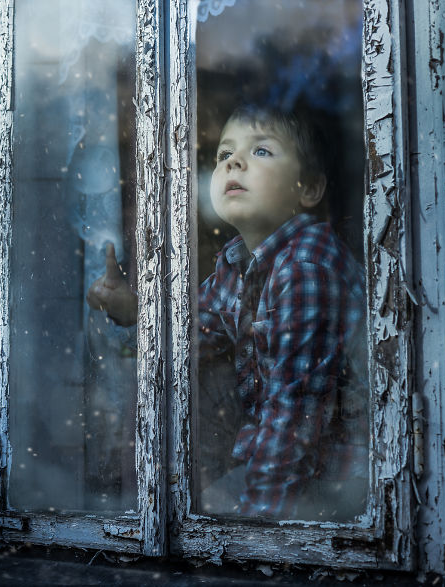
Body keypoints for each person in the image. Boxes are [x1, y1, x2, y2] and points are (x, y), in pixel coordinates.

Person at [87, 104, 368, 520]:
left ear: (308, 188)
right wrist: (133, 312)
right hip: (285, 468)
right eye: (224, 155)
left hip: (337, 484)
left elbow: (294, 421)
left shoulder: (307, 269)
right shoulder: (238, 265)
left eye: (261, 151)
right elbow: (187, 335)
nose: (233, 161)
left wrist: (256, 530)